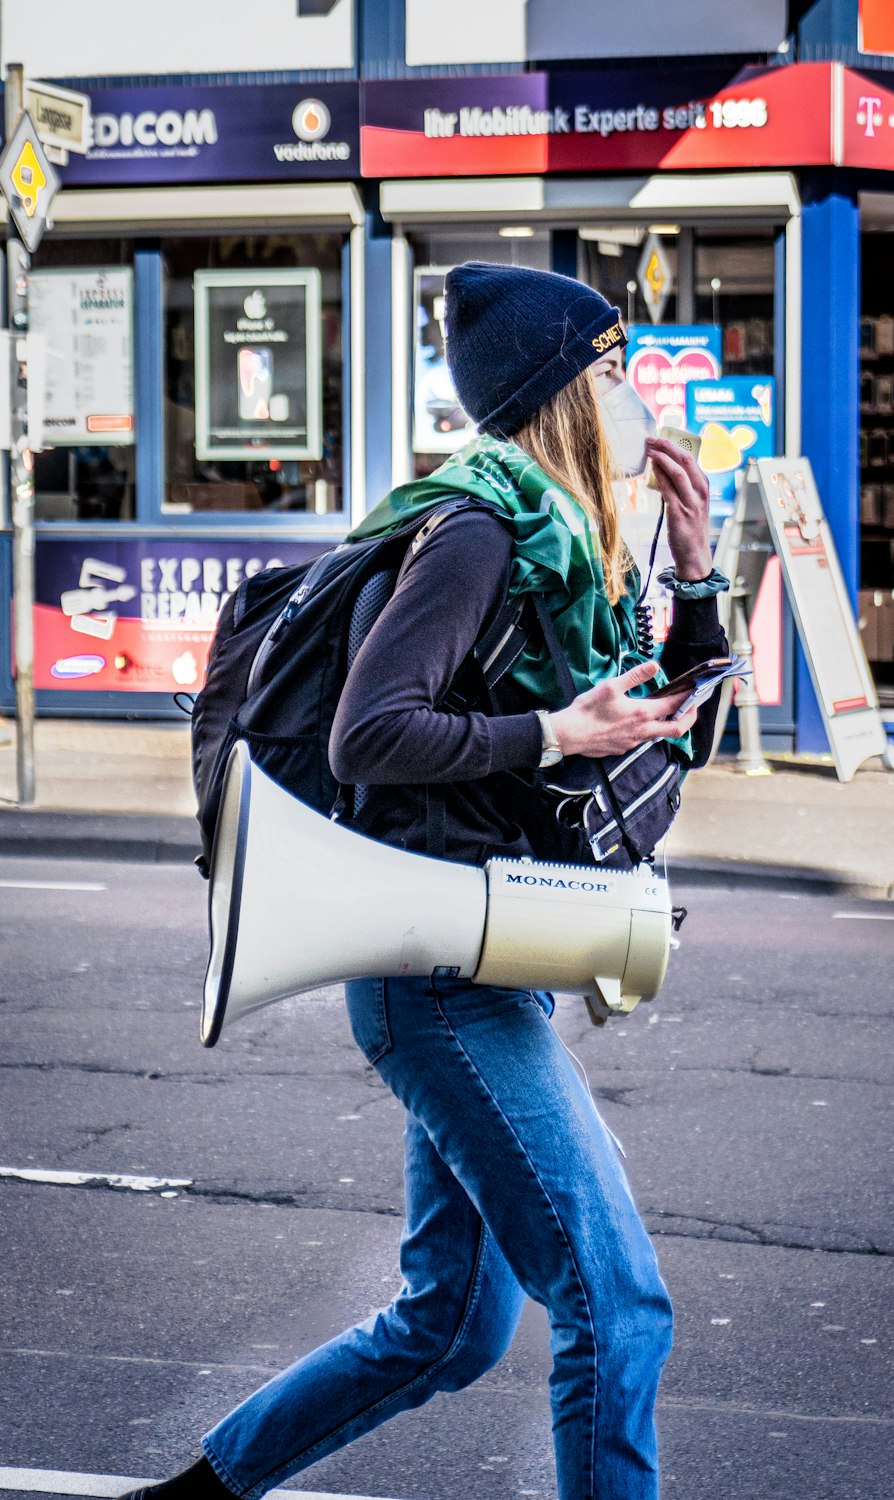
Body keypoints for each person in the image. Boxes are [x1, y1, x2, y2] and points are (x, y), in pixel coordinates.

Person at [121, 263, 730, 1500]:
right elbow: (370, 735)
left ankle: (190, 1498)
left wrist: (700, 565)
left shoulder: (574, 545)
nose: (631, 393)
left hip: (490, 951)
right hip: (438, 973)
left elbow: (678, 730)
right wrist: (554, 734)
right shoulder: (479, 531)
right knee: (619, 1311)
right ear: (558, 393)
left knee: (450, 1327)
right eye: (611, 371)